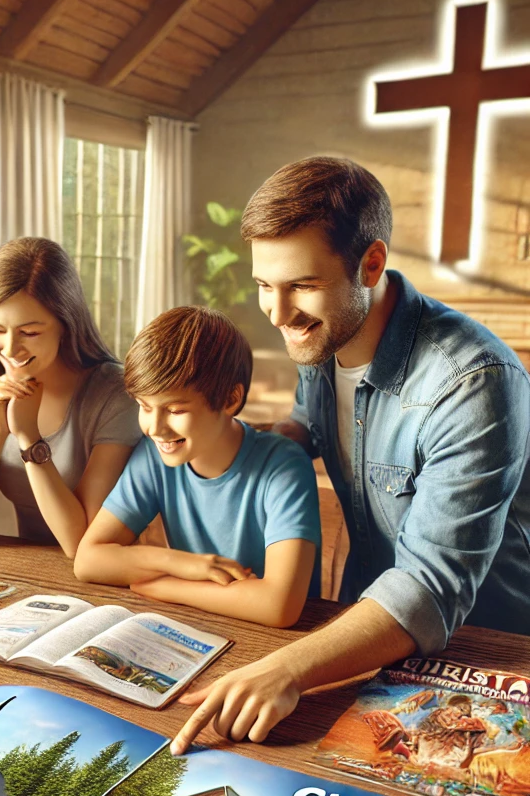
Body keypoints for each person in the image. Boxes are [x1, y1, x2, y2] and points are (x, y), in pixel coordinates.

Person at [170, 156, 530, 754]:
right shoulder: (326, 333)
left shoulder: (474, 379)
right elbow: (308, 429)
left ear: (372, 264)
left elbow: (430, 588)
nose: (278, 314)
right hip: (355, 633)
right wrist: (218, 435)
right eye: (265, 285)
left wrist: (286, 669)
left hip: (489, 654)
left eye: (301, 287)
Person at [75, 306, 321, 628]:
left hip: (276, 650)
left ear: (231, 400)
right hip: (196, 628)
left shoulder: (284, 468)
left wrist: (166, 586)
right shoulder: (154, 457)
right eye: (144, 406)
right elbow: (88, 561)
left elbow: (279, 606)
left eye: (175, 410)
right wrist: (184, 564)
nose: (156, 427)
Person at [0, 238, 140, 557]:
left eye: (30, 332)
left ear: (66, 325)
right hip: (33, 573)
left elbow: (81, 543)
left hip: (106, 575)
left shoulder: (114, 393)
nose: (9, 348)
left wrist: (28, 438)